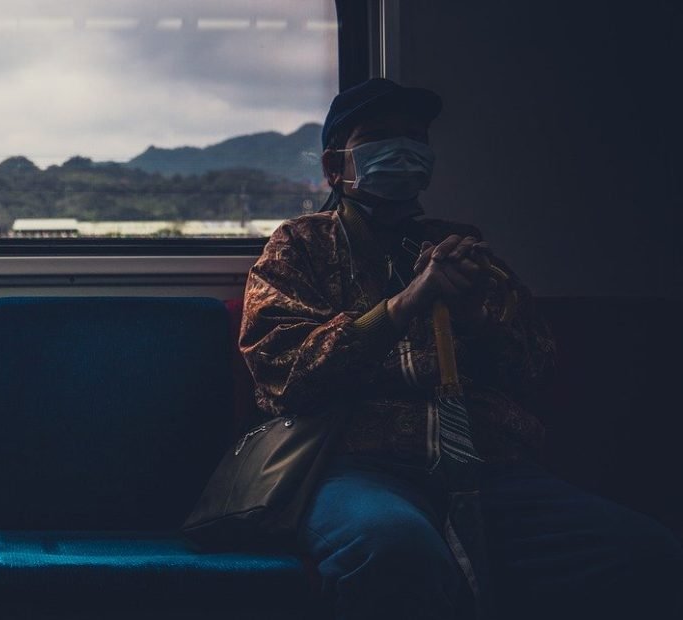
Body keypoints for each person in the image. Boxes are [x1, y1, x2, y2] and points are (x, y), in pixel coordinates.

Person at [239, 78, 682, 619]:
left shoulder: (464, 249)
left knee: (643, 551)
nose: (401, 148)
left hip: (489, 467)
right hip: (353, 464)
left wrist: (479, 318)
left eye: (413, 136)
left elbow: (535, 366)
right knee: (393, 548)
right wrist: (402, 306)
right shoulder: (300, 245)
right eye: (378, 136)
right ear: (336, 167)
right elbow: (284, 374)